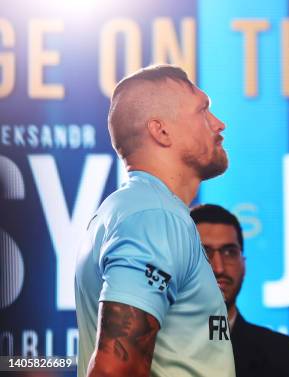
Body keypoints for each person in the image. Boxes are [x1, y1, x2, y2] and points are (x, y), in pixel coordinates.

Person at [75, 65, 235, 377]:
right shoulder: (154, 217)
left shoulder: (133, 210)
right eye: (203, 111)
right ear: (161, 131)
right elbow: (114, 371)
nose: (218, 124)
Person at [190, 204, 289, 377]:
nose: (219, 268)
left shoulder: (287, 357)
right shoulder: (150, 349)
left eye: (229, 252)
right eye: (204, 252)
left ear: (244, 263)